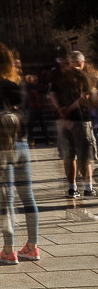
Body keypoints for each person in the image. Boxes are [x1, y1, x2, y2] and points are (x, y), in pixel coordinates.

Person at [0, 44, 40, 264]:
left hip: (3, 148)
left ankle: (8, 250)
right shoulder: (21, 85)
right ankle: (32, 246)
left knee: (8, 200)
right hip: (22, 144)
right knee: (28, 197)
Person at [48, 50, 98, 208]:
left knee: (68, 156)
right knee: (85, 154)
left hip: (63, 122)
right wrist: (69, 109)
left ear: (70, 62)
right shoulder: (84, 76)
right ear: (81, 62)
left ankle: (72, 188)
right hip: (81, 120)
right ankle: (88, 188)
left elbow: (51, 95)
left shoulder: (59, 76)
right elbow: (85, 98)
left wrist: (60, 111)